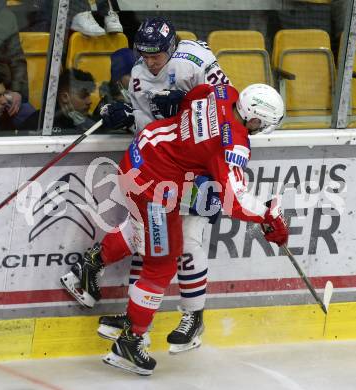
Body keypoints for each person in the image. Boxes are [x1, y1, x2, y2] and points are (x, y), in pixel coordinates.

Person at [68, 82, 286, 376]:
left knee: (143, 233)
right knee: (162, 262)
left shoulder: (224, 93)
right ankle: (130, 343)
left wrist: (193, 150)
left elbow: (192, 96)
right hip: (154, 187)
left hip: (142, 152)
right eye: (263, 125)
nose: (260, 130)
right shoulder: (233, 143)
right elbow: (235, 202)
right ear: (254, 117)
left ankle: (90, 264)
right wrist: (270, 216)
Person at [61, 16, 231, 354]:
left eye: (156, 55)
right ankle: (130, 314)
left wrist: (186, 106)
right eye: (145, 54)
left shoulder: (196, 61)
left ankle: (193, 316)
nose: (150, 62)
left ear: (171, 48)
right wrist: (126, 116)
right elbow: (148, 127)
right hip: (164, 166)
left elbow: (226, 106)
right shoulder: (139, 74)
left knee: (187, 241)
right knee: (150, 238)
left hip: (203, 164)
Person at [21, 68, 96, 132]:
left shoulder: (88, 122)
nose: (89, 101)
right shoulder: (38, 124)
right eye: (83, 96)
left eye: (89, 95)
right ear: (65, 97)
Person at [0, 2, 29, 121]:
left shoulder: (7, 18)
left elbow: (17, 59)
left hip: (2, 87)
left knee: (28, 114)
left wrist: (16, 91)